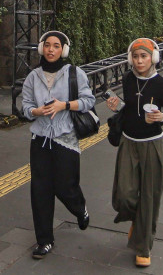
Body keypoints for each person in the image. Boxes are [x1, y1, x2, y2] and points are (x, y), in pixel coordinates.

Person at [20, 30, 95, 259]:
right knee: (40, 190)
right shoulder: (33, 76)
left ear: (64, 49)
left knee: (65, 186)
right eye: (48, 45)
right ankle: (44, 240)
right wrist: (36, 111)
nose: (52, 50)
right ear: (42, 48)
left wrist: (65, 105)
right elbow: (25, 107)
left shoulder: (74, 73)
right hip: (40, 139)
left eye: (57, 46)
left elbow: (89, 100)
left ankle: (79, 208)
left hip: (66, 137)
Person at [105, 38, 163, 269]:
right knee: (124, 194)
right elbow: (131, 110)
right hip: (128, 143)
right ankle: (137, 219)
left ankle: (143, 247)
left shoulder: (162, 85)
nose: (139, 61)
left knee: (149, 197)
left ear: (153, 57)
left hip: (152, 145)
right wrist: (118, 106)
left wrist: (161, 118)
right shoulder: (127, 79)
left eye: (144, 56)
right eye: (135, 57)